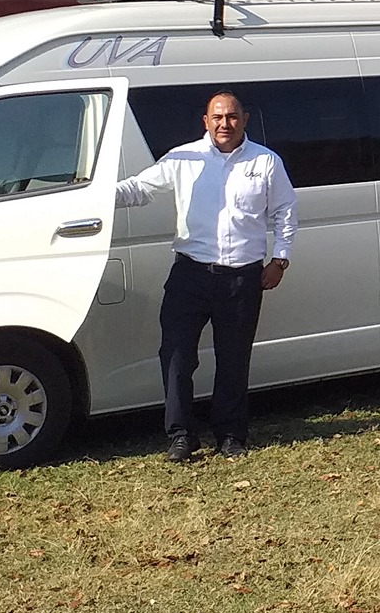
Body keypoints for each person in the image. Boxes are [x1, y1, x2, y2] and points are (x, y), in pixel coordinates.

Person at [116, 91, 296, 461]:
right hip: (190, 275)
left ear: (244, 119)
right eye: (217, 117)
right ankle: (181, 435)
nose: (224, 124)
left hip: (242, 280)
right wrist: (91, 195)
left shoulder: (266, 162)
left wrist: (280, 260)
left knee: (233, 359)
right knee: (177, 355)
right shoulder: (184, 159)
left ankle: (231, 435)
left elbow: (285, 211)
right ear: (205, 121)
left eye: (231, 117)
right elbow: (138, 189)